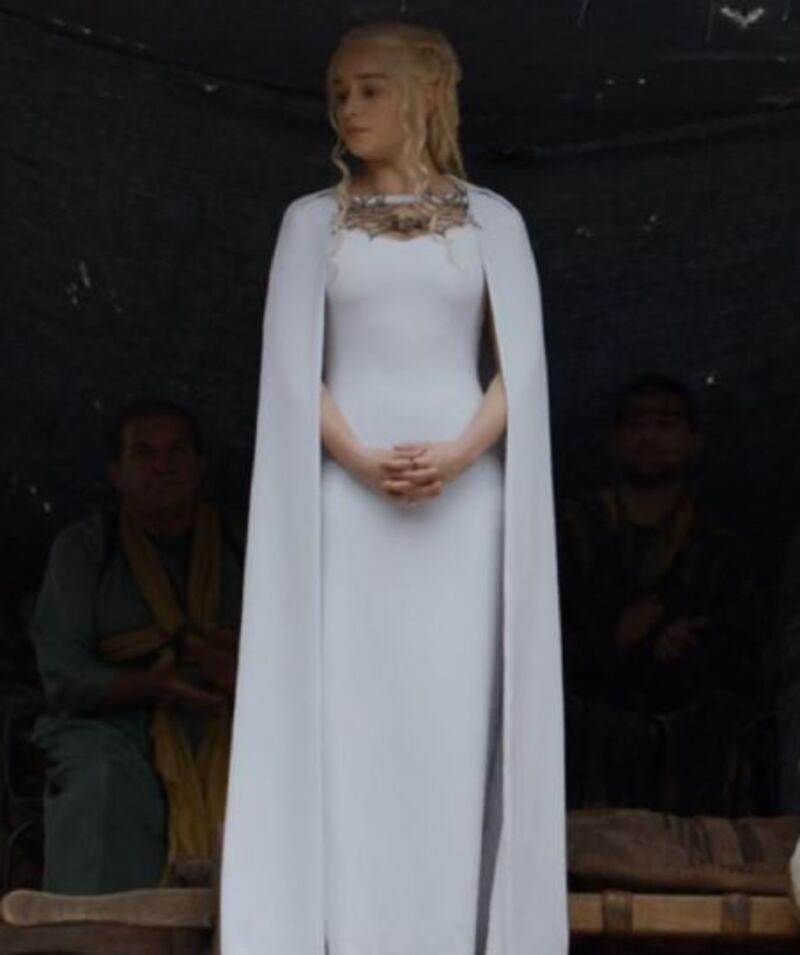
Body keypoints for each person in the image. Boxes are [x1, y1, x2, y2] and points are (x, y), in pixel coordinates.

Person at [221, 21, 567, 955]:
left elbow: (522, 370)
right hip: (350, 507)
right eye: (339, 92)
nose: (349, 107)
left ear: (426, 95)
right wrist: (359, 459)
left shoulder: (494, 221)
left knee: (448, 726)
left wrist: (459, 454)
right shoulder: (311, 223)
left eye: (371, 88)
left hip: (464, 510)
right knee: (353, 727)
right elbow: (292, 370)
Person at [30, 398, 243, 893]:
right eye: (143, 453)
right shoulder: (86, 549)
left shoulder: (246, 541)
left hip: (232, 711)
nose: (162, 466)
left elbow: (303, 652)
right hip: (113, 721)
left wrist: (242, 672)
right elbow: (63, 674)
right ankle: (96, 929)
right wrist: (153, 686)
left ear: (201, 465)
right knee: (100, 780)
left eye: (177, 451)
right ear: (116, 473)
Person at [559, 376, 761, 814]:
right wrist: (615, 638)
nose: (650, 437)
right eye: (637, 424)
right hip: (593, 711)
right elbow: (540, 635)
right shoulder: (574, 532)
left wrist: (689, 643)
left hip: (686, 726)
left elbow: (744, 648)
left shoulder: (717, 544)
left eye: (666, 424)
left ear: (694, 440)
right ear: (615, 439)